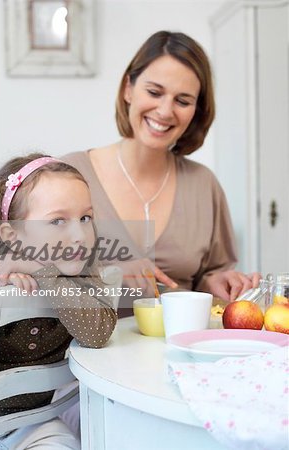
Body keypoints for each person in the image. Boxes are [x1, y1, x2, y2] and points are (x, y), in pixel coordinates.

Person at [63, 30, 260, 314]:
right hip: (84, 354)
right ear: (127, 89)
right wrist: (109, 275)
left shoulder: (204, 185)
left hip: (180, 351)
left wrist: (218, 282)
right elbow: (28, 274)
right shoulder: (70, 174)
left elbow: (209, 278)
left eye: (183, 101)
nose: (165, 111)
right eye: (154, 92)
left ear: (197, 110)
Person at [0, 153, 117, 449]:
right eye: (57, 220)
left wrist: (43, 272)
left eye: (85, 217)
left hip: (35, 422)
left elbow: (98, 334)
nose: (79, 235)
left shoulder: (80, 276)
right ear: (13, 236)